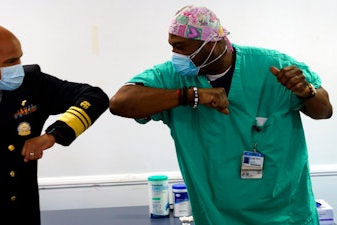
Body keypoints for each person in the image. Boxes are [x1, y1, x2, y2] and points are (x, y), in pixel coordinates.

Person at [109, 5, 333, 225]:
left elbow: (324, 111)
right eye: (172, 47)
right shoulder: (174, 77)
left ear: (213, 43)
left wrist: (307, 92)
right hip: (216, 217)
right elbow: (120, 102)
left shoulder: (272, 67)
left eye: (181, 47)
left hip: (286, 215)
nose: (175, 55)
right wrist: (191, 96)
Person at [0, 23, 109, 225]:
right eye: (11, 61)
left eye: (19, 57)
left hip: (16, 212)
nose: (18, 66)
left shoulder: (33, 84)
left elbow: (95, 97)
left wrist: (53, 135)